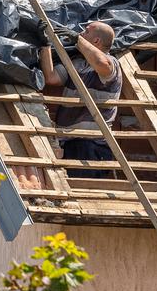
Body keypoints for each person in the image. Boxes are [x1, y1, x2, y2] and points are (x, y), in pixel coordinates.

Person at [39, 21, 123, 179]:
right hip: (69, 143)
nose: (80, 33)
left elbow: (101, 63)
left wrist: (77, 40)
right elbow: (51, 78)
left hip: (91, 144)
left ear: (96, 41)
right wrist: (45, 45)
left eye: (85, 32)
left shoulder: (112, 64)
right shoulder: (77, 63)